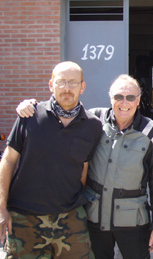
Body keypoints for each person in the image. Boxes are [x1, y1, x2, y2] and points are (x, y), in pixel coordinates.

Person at [16, 74, 153, 259]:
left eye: (130, 97)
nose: (124, 102)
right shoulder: (94, 120)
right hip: (93, 219)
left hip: (133, 222)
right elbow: (62, 112)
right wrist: (32, 106)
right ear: (110, 98)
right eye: (118, 97)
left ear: (138, 100)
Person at [0, 61, 103, 258]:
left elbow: (84, 168)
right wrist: (1, 207)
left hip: (70, 218)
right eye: (61, 82)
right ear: (50, 85)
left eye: (73, 83)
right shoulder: (29, 116)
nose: (67, 88)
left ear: (82, 87)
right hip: (25, 219)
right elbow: (8, 160)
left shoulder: (93, 125)